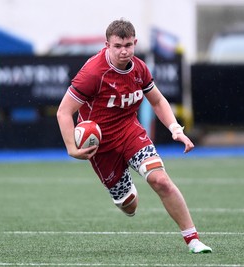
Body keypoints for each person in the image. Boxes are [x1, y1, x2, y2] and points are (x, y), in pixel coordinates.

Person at [57, 19, 212, 254]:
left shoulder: (139, 68)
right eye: (118, 46)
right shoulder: (93, 72)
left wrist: (176, 129)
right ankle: (126, 189)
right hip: (100, 146)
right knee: (129, 206)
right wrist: (71, 147)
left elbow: (158, 100)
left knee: (160, 180)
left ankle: (193, 240)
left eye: (128, 45)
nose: (124, 51)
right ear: (107, 44)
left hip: (130, 131)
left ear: (135, 43)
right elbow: (64, 111)